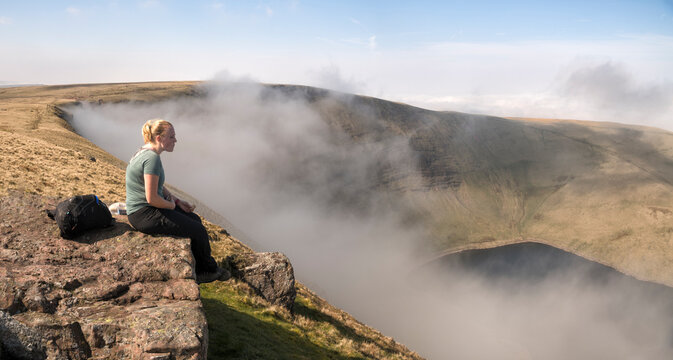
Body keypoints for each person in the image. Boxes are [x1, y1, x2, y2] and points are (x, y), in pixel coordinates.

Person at [125, 119, 224, 284]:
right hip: (144, 214)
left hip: (143, 210)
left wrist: (177, 201)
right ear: (159, 138)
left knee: (195, 220)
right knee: (198, 230)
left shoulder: (144, 152)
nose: (175, 140)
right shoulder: (152, 159)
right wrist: (171, 206)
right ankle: (208, 271)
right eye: (171, 136)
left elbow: (157, 186)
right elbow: (152, 198)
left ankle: (199, 265)